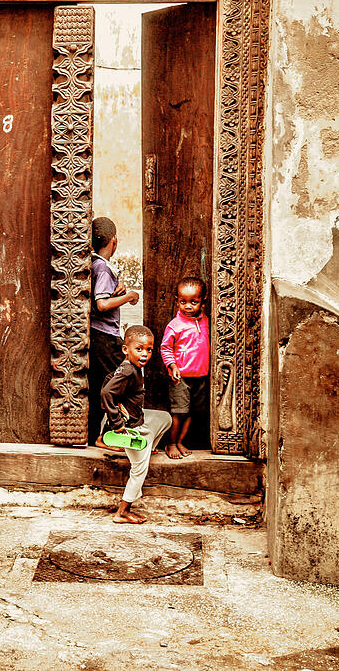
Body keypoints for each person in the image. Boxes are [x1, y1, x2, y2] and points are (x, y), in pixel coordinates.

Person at [101, 325, 171, 523]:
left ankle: (148, 447)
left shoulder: (133, 367)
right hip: (130, 428)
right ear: (126, 349)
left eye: (149, 349)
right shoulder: (127, 371)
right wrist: (117, 424)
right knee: (139, 470)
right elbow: (106, 393)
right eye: (139, 349)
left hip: (138, 418)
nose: (145, 354)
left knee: (165, 418)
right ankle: (122, 512)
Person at [89, 216, 139, 445]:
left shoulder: (92, 264)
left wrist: (116, 295)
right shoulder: (103, 267)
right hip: (105, 337)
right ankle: (110, 433)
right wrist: (128, 297)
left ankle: (93, 436)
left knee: (100, 385)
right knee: (121, 383)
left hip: (99, 336)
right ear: (114, 241)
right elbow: (101, 304)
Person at [160, 276, 210, 459]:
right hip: (180, 376)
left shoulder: (206, 322)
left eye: (193, 302)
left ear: (202, 301)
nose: (188, 306)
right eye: (183, 302)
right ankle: (171, 443)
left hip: (201, 376)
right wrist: (172, 366)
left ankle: (181, 441)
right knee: (179, 412)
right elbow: (165, 347)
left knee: (190, 413)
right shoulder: (175, 325)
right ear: (177, 301)